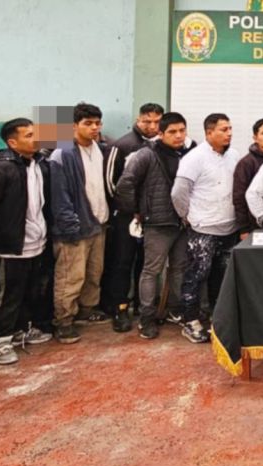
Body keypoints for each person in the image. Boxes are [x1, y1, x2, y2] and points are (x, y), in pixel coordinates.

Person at [116, 112, 196, 339]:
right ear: (160, 134)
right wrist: (138, 211)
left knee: (179, 268)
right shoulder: (146, 154)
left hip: (182, 222)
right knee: (152, 271)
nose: (178, 135)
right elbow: (125, 184)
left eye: (182, 130)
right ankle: (146, 317)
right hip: (157, 224)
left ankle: (175, 309)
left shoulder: (189, 154)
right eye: (172, 132)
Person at [0, 119, 52, 364]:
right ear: (12, 142)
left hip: (36, 242)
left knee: (30, 291)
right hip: (10, 247)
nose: (36, 138)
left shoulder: (40, 164)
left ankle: (21, 329)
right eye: (29, 135)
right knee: (7, 295)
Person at [171, 113, 241, 343]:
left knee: (221, 277)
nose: (229, 133)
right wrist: (187, 217)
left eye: (230, 128)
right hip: (203, 228)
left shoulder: (234, 155)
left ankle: (216, 319)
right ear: (209, 132)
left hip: (229, 227)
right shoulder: (194, 158)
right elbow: (178, 193)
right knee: (196, 275)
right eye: (223, 129)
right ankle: (190, 320)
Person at [49, 103, 110, 344]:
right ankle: (63, 322)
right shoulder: (62, 153)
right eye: (88, 123)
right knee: (70, 278)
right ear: (73, 126)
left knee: (93, 274)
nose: (94, 128)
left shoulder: (100, 148)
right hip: (74, 229)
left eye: (97, 123)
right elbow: (60, 196)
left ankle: (87, 310)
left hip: (98, 223)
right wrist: (69, 228)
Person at [101, 103, 163, 332]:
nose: (152, 126)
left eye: (157, 121)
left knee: (146, 263)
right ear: (138, 120)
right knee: (122, 262)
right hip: (126, 217)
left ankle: (142, 306)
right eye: (147, 121)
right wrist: (129, 210)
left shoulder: (162, 146)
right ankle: (120, 309)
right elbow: (111, 183)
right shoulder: (122, 145)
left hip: (152, 217)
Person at [233, 118, 263, 239]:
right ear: (255, 138)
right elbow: (239, 197)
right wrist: (243, 229)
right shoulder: (247, 163)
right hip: (256, 225)